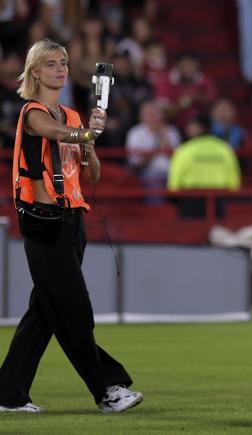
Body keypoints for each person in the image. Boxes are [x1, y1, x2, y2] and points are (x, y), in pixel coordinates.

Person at [0, 39, 142, 413]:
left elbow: (91, 173)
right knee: (74, 309)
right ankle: (106, 388)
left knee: (45, 312)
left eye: (63, 62)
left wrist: (90, 142)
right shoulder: (32, 111)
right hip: (43, 222)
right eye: (51, 64)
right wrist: (83, 134)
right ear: (35, 72)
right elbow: (55, 132)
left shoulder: (73, 116)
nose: (60, 69)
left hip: (73, 222)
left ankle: (8, 394)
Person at [167, 113, 240, 219]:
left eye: (191, 125)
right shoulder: (225, 149)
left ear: (200, 127)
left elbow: (174, 185)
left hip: (190, 201)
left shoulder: (184, 150)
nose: (188, 128)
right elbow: (234, 182)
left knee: (190, 233)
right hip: (217, 201)